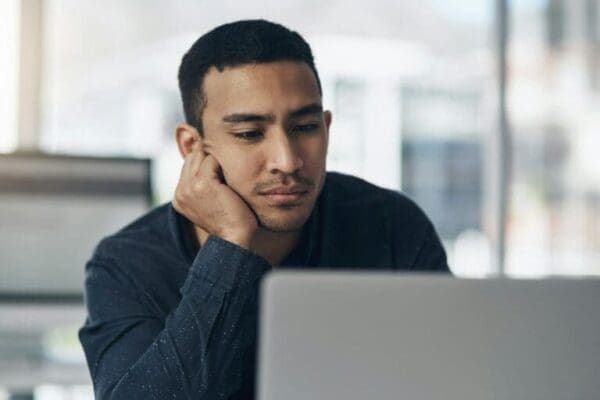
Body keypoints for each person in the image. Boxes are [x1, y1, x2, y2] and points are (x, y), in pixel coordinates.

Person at [79, 19, 450, 400]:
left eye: (305, 127)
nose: (287, 161)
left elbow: (456, 376)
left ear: (326, 128)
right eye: (249, 134)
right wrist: (231, 246)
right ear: (192, 147)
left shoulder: (391, 226)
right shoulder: (127, 265)